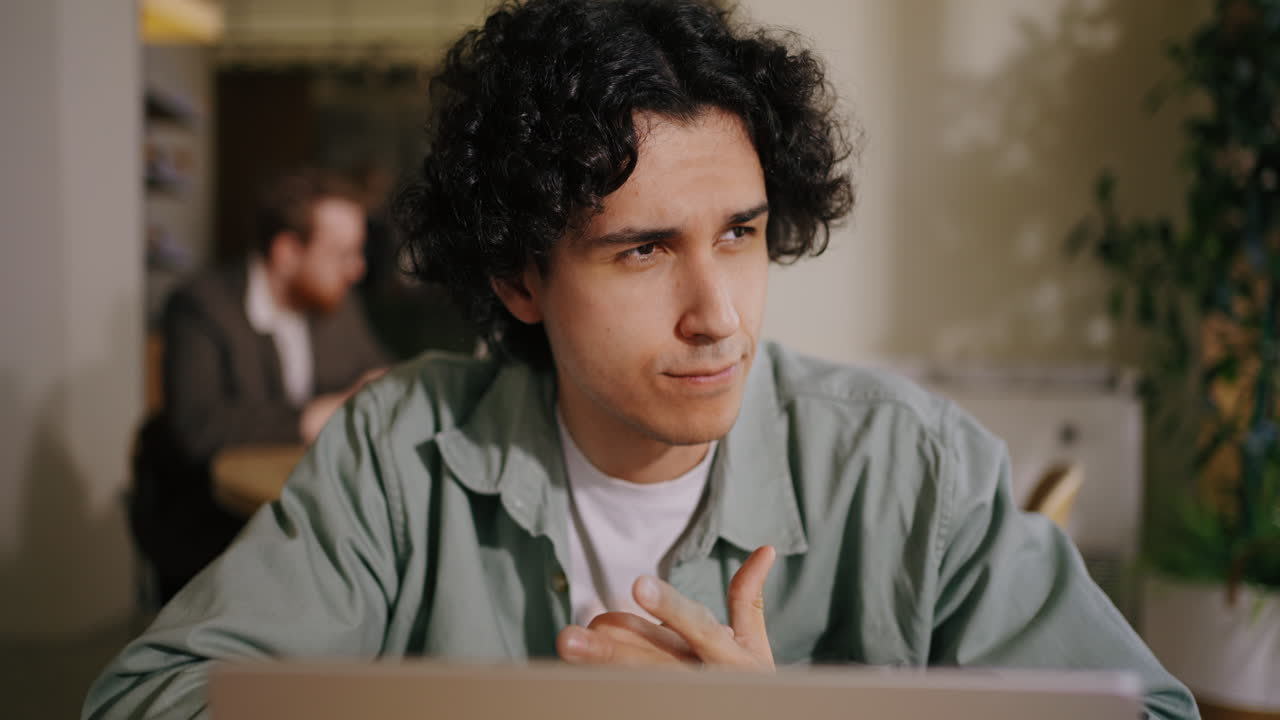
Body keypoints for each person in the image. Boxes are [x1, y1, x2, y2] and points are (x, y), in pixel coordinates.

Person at [87, 2, 1198, 719]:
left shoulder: (911, 470)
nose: (717, 313)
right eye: (641, 251)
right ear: (518, 280)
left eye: (741, 234)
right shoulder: (402, 454)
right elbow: (148, 698)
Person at [130, 168, 388, 602]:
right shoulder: (200, 307)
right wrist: (312, 418)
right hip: (213, 528)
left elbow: (376, 371)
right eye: (343, 254)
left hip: (309, 512)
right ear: (287, 252)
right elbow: (199, 428)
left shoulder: (336, 305)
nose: (357, 269)